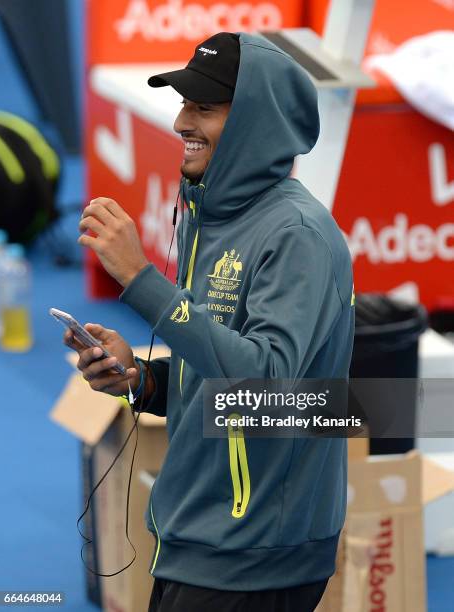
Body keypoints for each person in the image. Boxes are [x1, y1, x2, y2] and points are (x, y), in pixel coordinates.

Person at [65, 32, 355, 612]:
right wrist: (142, 381)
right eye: (182, 104)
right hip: (198, 535)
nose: (179, 122)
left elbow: (269, 387)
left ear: (255, 122)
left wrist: (142, 282)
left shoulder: (298, 236)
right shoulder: (208, 214)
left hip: (255, 554)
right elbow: (223, 375)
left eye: (203, 107)